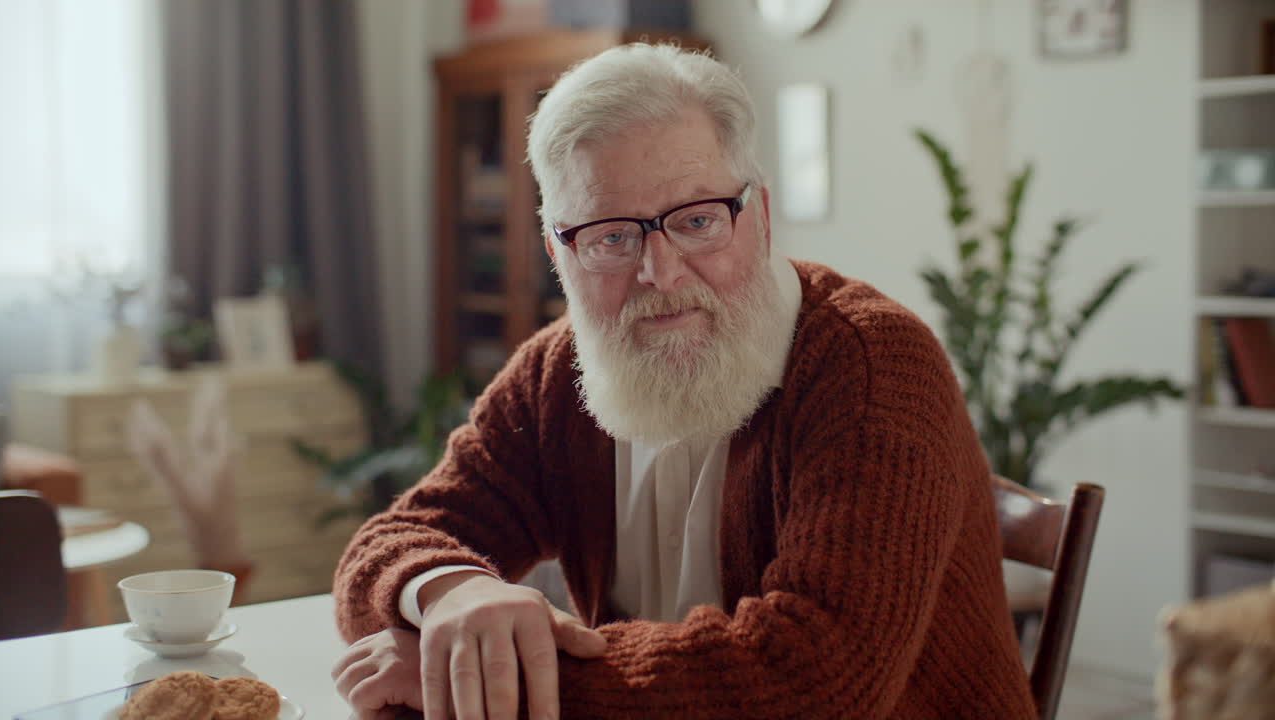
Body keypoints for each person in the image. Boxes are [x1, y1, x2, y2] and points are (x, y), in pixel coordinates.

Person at [330, 43, 1036, 720]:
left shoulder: (873, 366)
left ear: (759, 218)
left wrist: (503, 675)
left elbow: (817, 682)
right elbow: (395, 541)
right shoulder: (557, 373)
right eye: (611, 236)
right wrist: (451, 595)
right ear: (558, 252)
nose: (660, 273)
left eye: (698, 220)